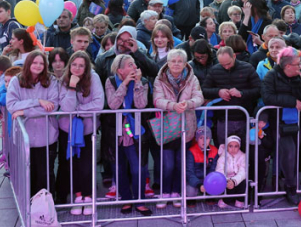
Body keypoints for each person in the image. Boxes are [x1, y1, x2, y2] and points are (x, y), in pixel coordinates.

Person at [261, 46, 301, 205]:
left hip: (296, 121)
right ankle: (290, 187)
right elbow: (267, 97)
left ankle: (289, 183)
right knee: (289, 154)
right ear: (287, 66)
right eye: (298, 63)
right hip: (278, 121)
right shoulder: (272, 76)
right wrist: (292, 102)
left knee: (294, 154)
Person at [152, 49, 204, 207]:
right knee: (168, 164)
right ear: (167, 62)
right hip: (167, 128)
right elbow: (156, 100)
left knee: (180, 162)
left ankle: (176, 192)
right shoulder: (159, 79)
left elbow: (199, 97)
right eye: (173, 61)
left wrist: (188, 104)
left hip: (186, 126)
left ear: (185, 63)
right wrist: (172, 106)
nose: (176, 64)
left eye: (179, 61)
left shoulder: (192, 78)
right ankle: (164, 191)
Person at [6, 52, 60, 196]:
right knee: (28, 173)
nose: (38, 66)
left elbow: (53, 106)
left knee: (45, 174)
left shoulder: (51, 80)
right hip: (25, 137)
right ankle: (29, 207)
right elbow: (11, 105)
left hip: (47, 137)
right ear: (28, 63)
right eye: (35, 62)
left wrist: (24, 111)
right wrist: (38, 102)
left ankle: (47, 206)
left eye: (41, 63)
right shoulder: (16, 81)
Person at [56, 51, 104, 214]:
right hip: (67, 129)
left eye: (81, 65)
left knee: (87, 164)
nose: (77, 68)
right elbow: (67, 108)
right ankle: (77, 197)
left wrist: (79, 110)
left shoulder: (94, 78)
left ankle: (88, 196)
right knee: (72, 165)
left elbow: (98, 104)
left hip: (87, 130)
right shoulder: (64, 80)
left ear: (87, 67)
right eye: (74, 64)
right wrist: (71, 87)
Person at [105, 54, 151, 215]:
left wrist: (137, 83)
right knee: (118, 167)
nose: (134, 68)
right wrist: (124, 84)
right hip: (115, 131)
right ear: (120, 70)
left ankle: (139, 200)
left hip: (135, 130)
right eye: (130, 65)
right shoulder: (110, 82)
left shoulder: (143, 82)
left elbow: (141, 105)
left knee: (138, 167)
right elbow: (113, 104)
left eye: (134, 64)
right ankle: (126, 199)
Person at [203, 46, 261, 145]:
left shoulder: (247, 68)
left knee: (243, 152)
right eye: (222, 64)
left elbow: (259, 90)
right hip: (222, 119)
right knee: (223, 151)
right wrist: (218, 92)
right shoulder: (214, 70)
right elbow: (204, 90)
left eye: (228, 63)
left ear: (234, 56)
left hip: (244, 117)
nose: (226, 67)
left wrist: (241, 93)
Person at [215, 135, 248, 209]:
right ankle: (226, 200)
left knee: (244, 180)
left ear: (239, 146)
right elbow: (219, 170)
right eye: (230, 146)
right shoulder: (223, 157)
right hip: (226, 180)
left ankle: (239, 199)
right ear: (226, 146)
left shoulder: (242, 156)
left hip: (236, 180)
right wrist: (227, 180)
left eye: (236, 146)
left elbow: (243, 171)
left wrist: (234, 181)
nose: (233, 149)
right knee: (227, 187)